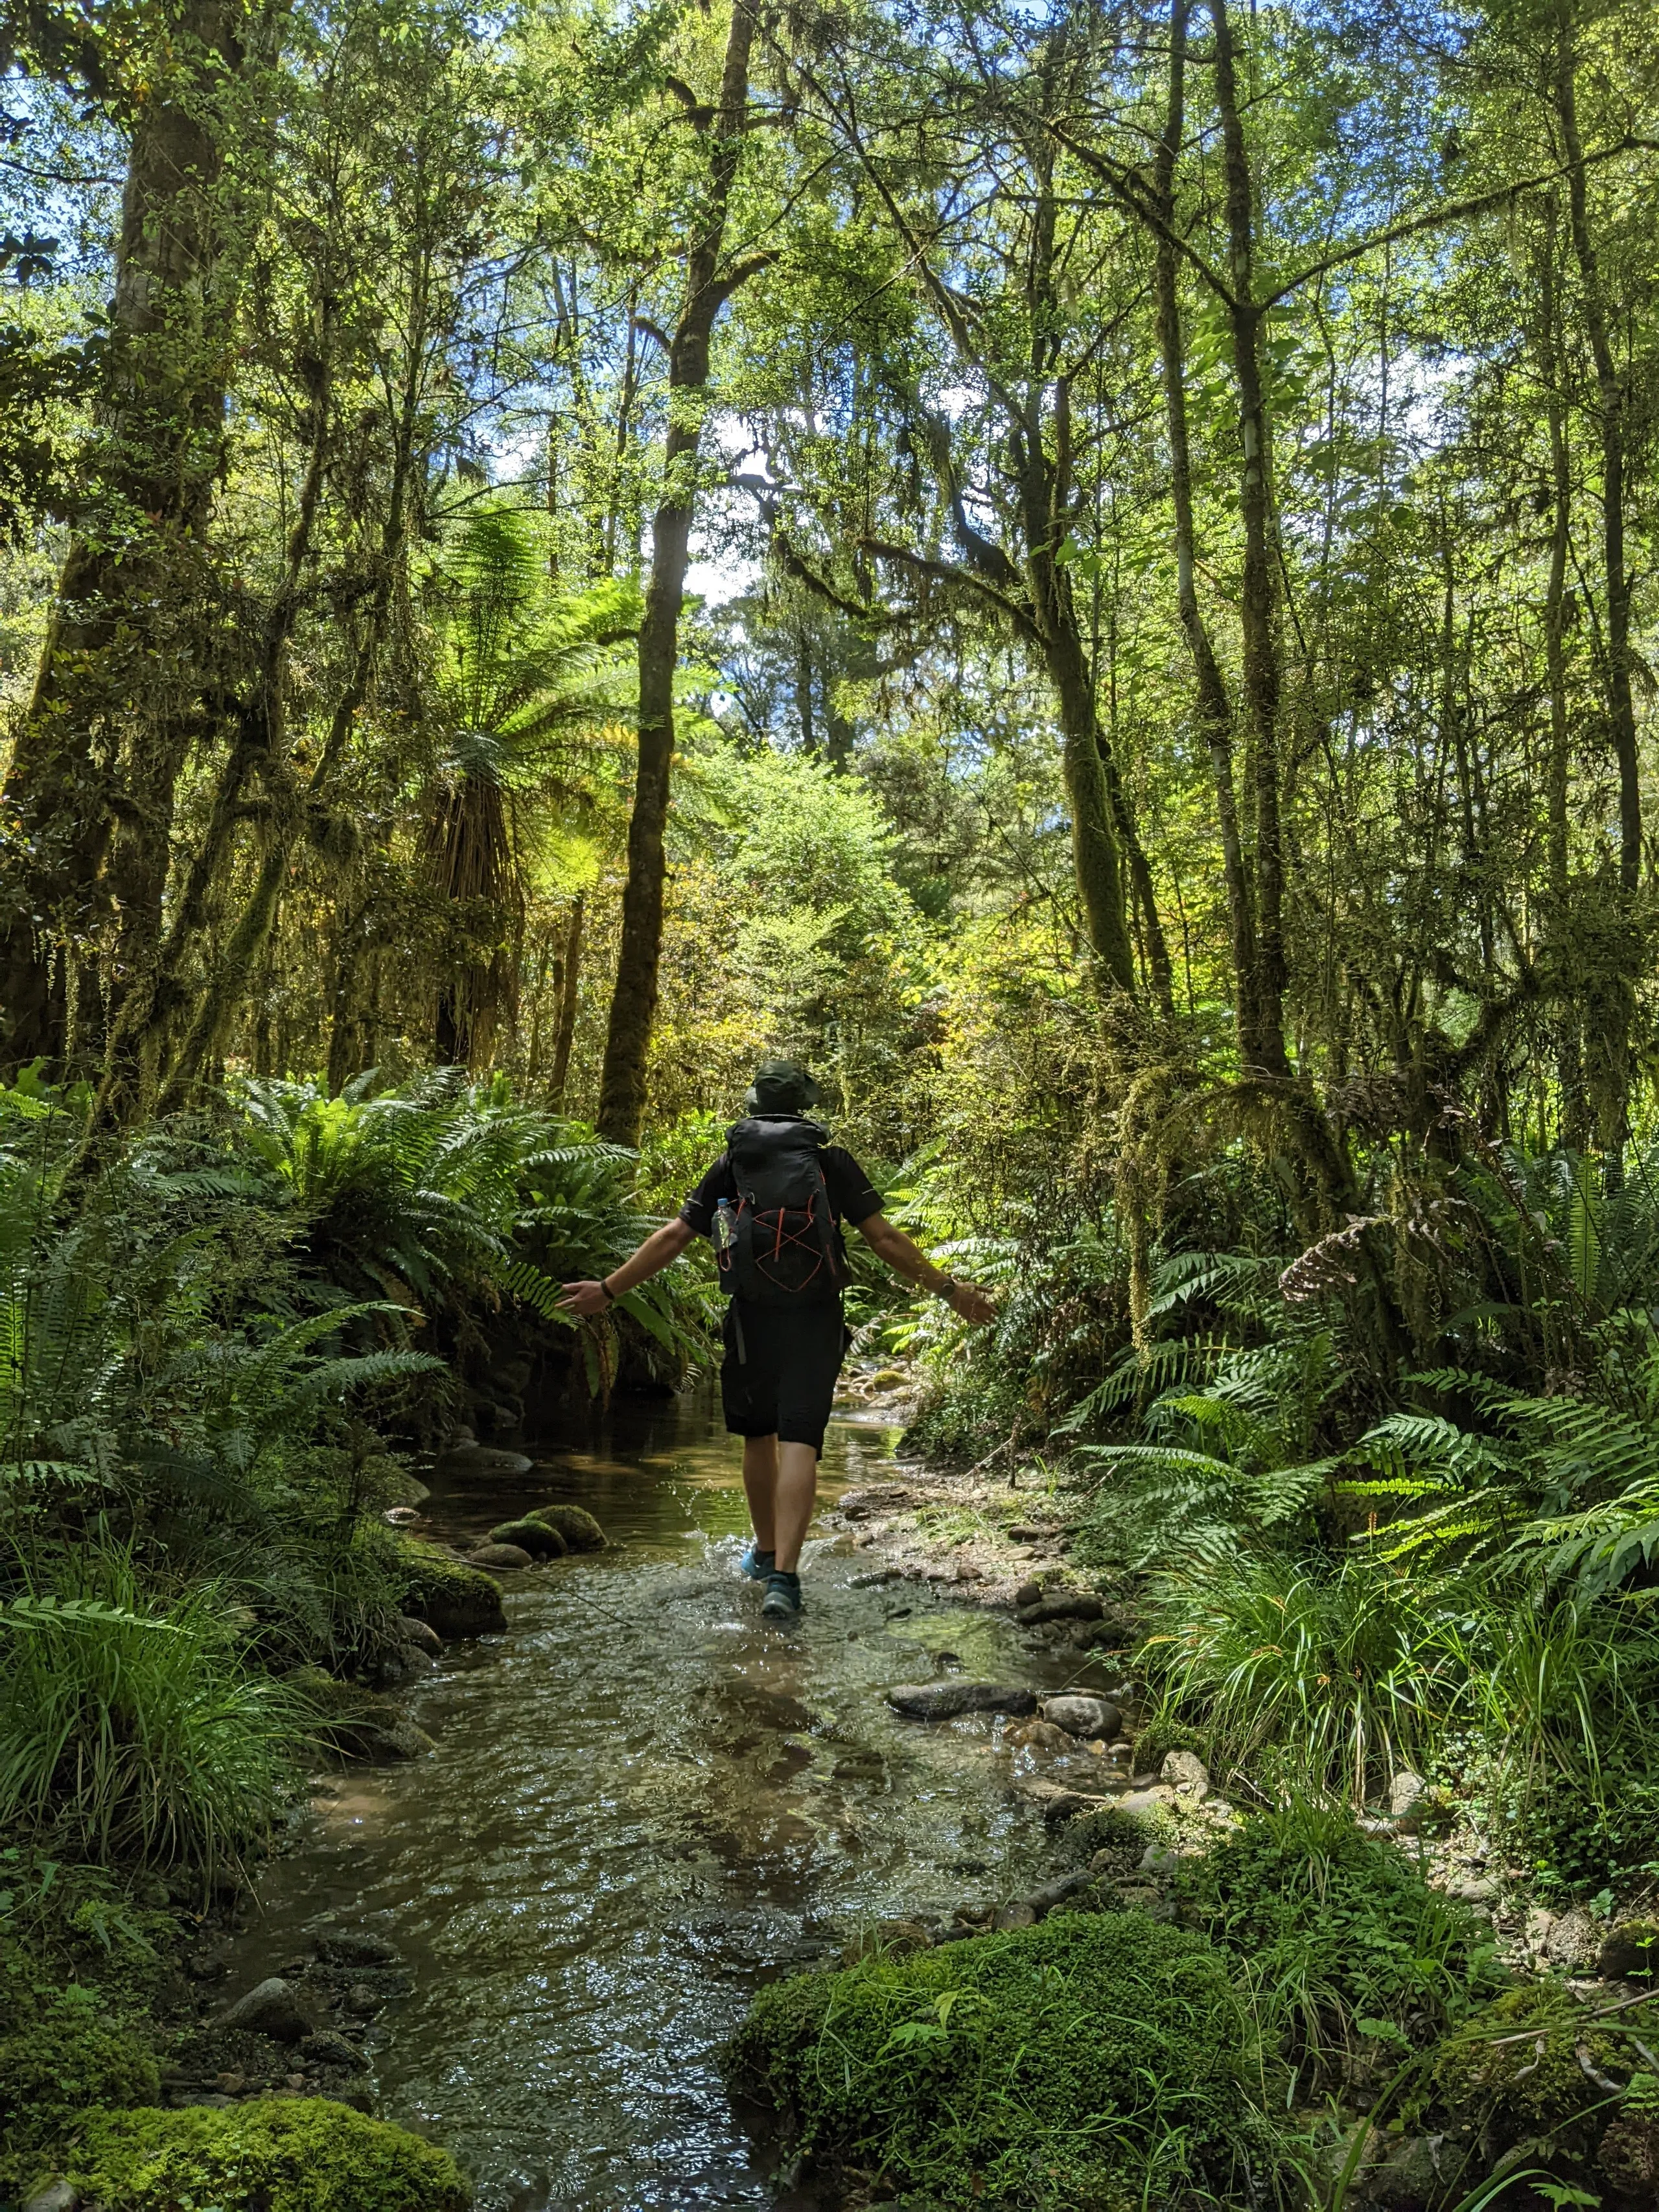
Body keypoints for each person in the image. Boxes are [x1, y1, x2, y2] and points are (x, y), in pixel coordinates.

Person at [558, 1058, 995, 1620]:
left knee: (757, 1436)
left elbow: (674, 1236)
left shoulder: (735, 1161)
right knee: (800, 1443)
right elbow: (883, 1238)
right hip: (815, 1317)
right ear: (805, 1108)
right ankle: (785, 1580)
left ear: (754, 1107)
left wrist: (608, 1289)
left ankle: (765, 1553)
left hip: (751, 1318)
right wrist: (949, 1290)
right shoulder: (828, 1162)